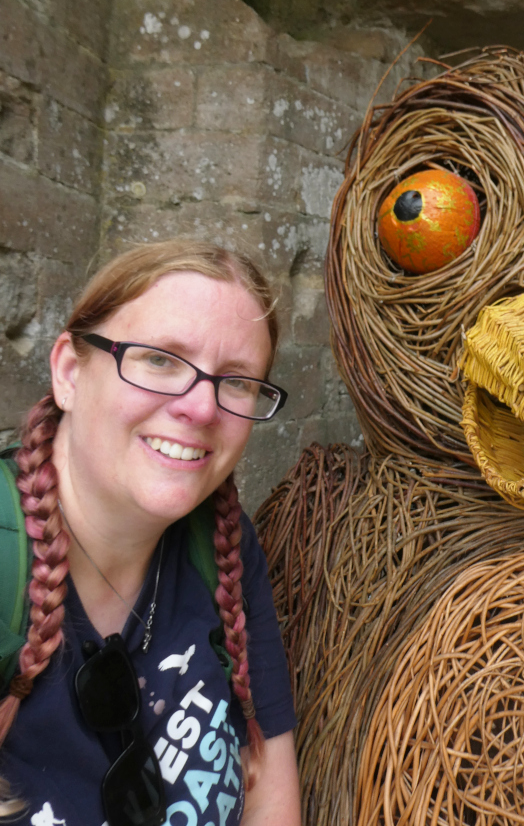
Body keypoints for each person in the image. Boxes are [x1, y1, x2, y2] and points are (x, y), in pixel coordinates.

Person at [0, 239, 301, 826]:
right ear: (69, 372)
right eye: (161, 359)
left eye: (237, 381)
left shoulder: (224, 545)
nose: (202, 408)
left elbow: (270, 792)